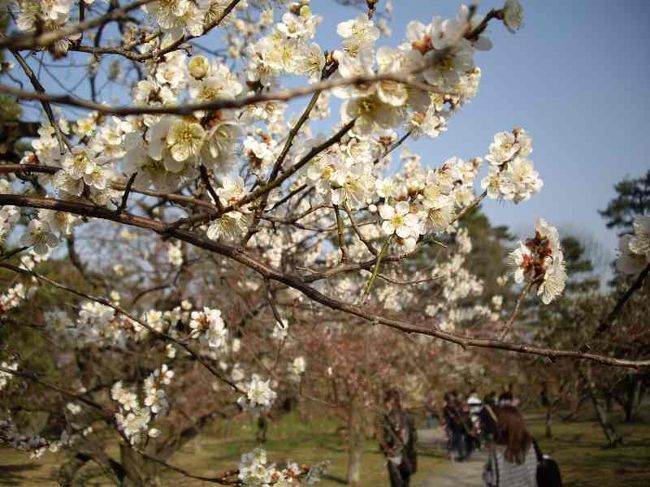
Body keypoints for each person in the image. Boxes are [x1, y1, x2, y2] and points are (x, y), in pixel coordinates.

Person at [483, 406, 538, 487]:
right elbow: (533, 473)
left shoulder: (497, 450)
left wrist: (486, 472)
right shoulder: (529, 445)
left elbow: (493, 480)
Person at [380, 389, 417, 487]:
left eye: (386, 401)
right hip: (408, 453)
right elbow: (414, 436)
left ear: (390, 402)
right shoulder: (409, 416)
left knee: (396, 482)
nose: (384, 404)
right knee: (405, 481)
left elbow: (387, 438)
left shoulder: (389, 418)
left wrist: (385, 447)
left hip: (395, 454)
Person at [443, 391, 466, 462]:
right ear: (448, 400)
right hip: (452, 427)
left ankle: (461, 456)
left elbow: (462, 413)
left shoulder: (456, 406)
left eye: (452, 398)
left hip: (459, 426)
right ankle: (452, 455)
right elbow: (447, 419)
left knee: (460, 441)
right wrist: (448, 428)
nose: (452, 399)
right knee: (452, 441)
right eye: (451, 399)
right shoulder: (446, 408)